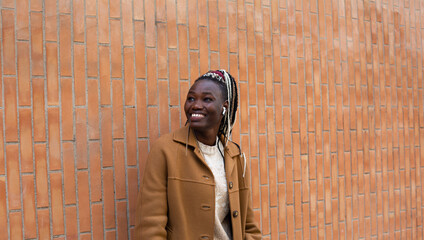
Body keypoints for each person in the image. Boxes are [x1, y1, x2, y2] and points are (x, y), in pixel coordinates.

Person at [135, 70, 262, 239]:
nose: (195, 105)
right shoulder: (165, 150)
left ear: (224, 107)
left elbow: (248, 224)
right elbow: (150, 225)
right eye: (191, 98)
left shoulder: (234, 155)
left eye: (207, 99)